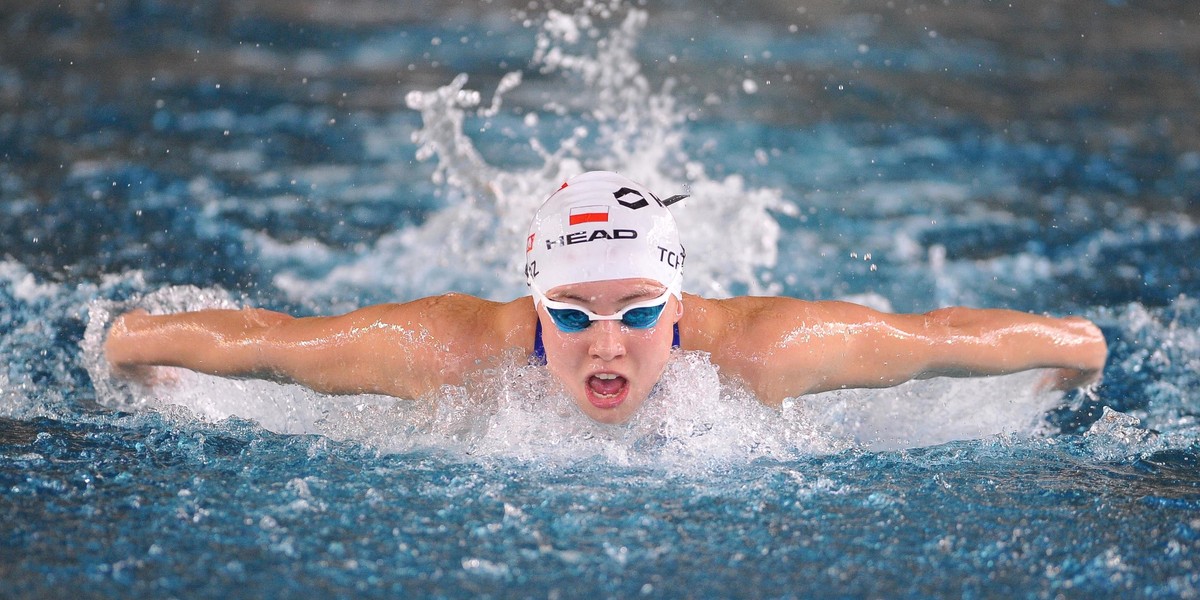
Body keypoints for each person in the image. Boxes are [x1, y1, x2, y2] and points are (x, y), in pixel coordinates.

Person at [104, 171, 1108, 424]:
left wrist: (1074, 349)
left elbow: (936, 339)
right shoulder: (448, 348)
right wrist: (135, 345)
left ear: (680, 310)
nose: (607, 344)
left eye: (636, 312)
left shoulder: (766, 347)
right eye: (574, 317)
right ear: (535, 311)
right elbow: (273, 342)